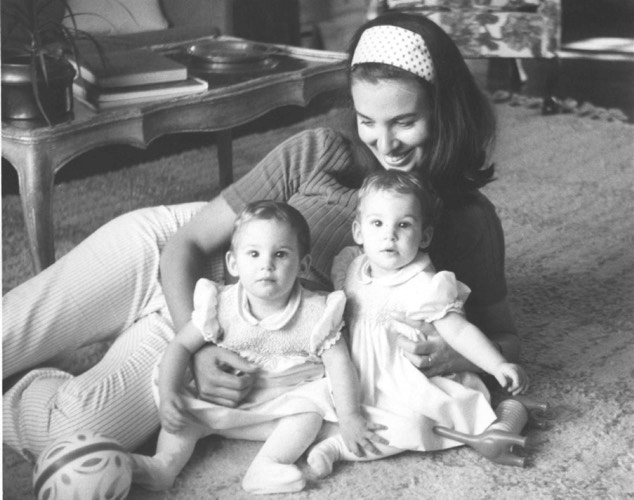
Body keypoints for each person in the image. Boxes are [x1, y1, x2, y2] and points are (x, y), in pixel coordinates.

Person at [3, 11, 519, 464]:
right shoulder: (321, 151)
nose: (385, 144)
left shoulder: (468, 220)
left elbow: (507, 338)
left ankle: (42, 378)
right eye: (368, 120)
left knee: (67, 432)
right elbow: (186, 243)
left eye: (404, 122)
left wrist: (458, 355)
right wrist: (196, 349)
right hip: (170, 258)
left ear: (443, 109)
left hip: (238, 330)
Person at [130, 200, 384, 494]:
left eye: (280, 254)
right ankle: (164, 465)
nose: (267, 264)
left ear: (303, 265)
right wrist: (169, 393)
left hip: (282, 405)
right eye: (254, 254)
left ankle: (267, 465)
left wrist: (350, 416)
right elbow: (180, 347)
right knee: (183, 414)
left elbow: (340, 364)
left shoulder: (316, 313)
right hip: (226, 401)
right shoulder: (221, 305)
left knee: (310, 413)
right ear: (233, 263)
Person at [306, 171, 529, 477]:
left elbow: (459, 330)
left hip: (401, 381)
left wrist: (496, 364)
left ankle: (337, 448)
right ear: (358, 231)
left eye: (404, 225)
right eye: (377, 223)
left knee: (416, 424)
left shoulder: (424, 284)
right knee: (309, 403)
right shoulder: (352, 266)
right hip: (354, 374)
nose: (389, 235)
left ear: (424, 236)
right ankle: (328, 429)